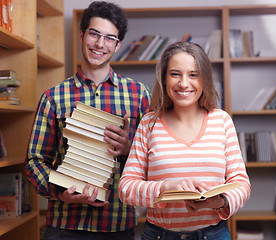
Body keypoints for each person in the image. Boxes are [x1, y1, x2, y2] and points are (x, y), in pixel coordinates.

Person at [25, 1, 151, 239]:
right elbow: (34, 160)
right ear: (82, 35)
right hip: (64, 226)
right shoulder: (53, 97)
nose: (100, 44)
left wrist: (128, 148)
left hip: (117, 224)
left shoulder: (139, 94)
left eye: (109, 38)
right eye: (94, 34)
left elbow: (155, 159)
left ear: (118, 45)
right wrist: (58, 191)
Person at [118, 41, 250, 240]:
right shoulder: (149, 124)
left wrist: (219, 202)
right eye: (175, 74)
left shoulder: (221, 121)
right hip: (159, 235)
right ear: (164, 79)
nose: (184, 83)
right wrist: (165, 188)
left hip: (213, 234)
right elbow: (126, 188)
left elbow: (241, 183)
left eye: (193, 74)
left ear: (204, 79)